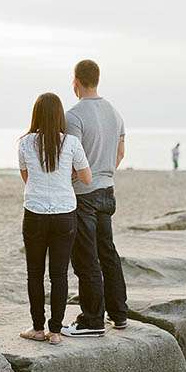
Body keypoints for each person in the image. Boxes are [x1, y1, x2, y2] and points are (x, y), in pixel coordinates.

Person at [18, 93, 91, 346]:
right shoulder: (71, 143)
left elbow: (27, 177)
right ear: (60, 116)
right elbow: (87, 178)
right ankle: (56, 331)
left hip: (35, 212)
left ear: (36, 115)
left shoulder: (25, 143)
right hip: (64, 214)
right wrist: (66, 176)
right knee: (59, 275)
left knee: (34, 274)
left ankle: (38, 328)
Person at [61, 59, 127, 338]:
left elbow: (71, 156)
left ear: (75, 81)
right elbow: (120, 153)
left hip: (83, 194)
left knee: (86, 259)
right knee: (108, 253)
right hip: (107, 190)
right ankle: (119, 313)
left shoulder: (73, 116)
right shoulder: (115, 112)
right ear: (97, 80)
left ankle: (92, 320)